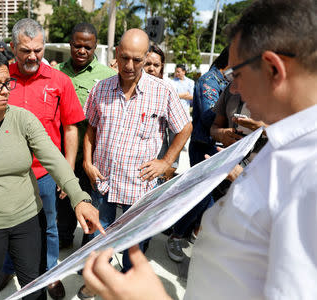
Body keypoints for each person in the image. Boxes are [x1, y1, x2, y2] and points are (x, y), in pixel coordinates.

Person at [83, 1, 317, 299]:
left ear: (273, 68)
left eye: (236, 75)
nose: (232, 90)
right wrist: (241, 176)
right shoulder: (284, 151)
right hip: (107, 182)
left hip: (137, 189)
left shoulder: (308, 176)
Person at [0, 47, 104, 300]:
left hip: (28, 220)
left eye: (8, 83)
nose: (5, 91)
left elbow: (54, 159)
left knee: (34, 284)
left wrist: (80, 198)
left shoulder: (22, 119)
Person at [79, 28, 192, 298]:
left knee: (134, 247)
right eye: (125, 57)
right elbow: (91, 129)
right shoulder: (101, 88)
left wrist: (166, 162)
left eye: (137, 60)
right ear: (116, 54)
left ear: (146, 58)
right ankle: (95, 283)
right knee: (97, 239)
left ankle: (128, 288)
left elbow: (185, 128)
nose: (129, 66)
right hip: (104, 181)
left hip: (139, 186)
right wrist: (86, 161)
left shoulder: (161, 91)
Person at [2, 18, 86, 298]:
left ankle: (50, 273)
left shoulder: (59, 81)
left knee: (48, 226)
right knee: (5, 225)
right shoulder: (0, 79)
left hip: (46, 174)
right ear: (13, 47)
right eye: (26, 50)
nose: (33, 56)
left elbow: (70, 128)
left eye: (38, 50)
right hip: (6, 174)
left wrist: (67, 173)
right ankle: (6, 269)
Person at [55, 23, 116, 250]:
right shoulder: (56, 73)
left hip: (93, 156)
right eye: (77, 46)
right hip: (63, 153)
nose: (82, 51)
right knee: (63, 201)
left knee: (91, 201)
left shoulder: (108, 77)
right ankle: (64, 237)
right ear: (70, 44)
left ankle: (88, 247)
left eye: (87, 47)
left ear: (95, 47)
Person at [166, 47, 229, 263]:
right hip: (204, 146)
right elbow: (209, 117)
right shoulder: (210, 81)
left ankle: (192, 231)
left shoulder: (230, 82)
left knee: (214, 199)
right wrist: (235, 123)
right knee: (202, 197)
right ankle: (177, 233)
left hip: (223, 149)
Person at [143, 44, 179, 181]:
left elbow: (178, 131)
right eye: (147, 64)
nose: (151, 69)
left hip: (157, 163)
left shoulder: (167, 91)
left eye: (156, 65)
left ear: (162, 67)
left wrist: (170, 164)